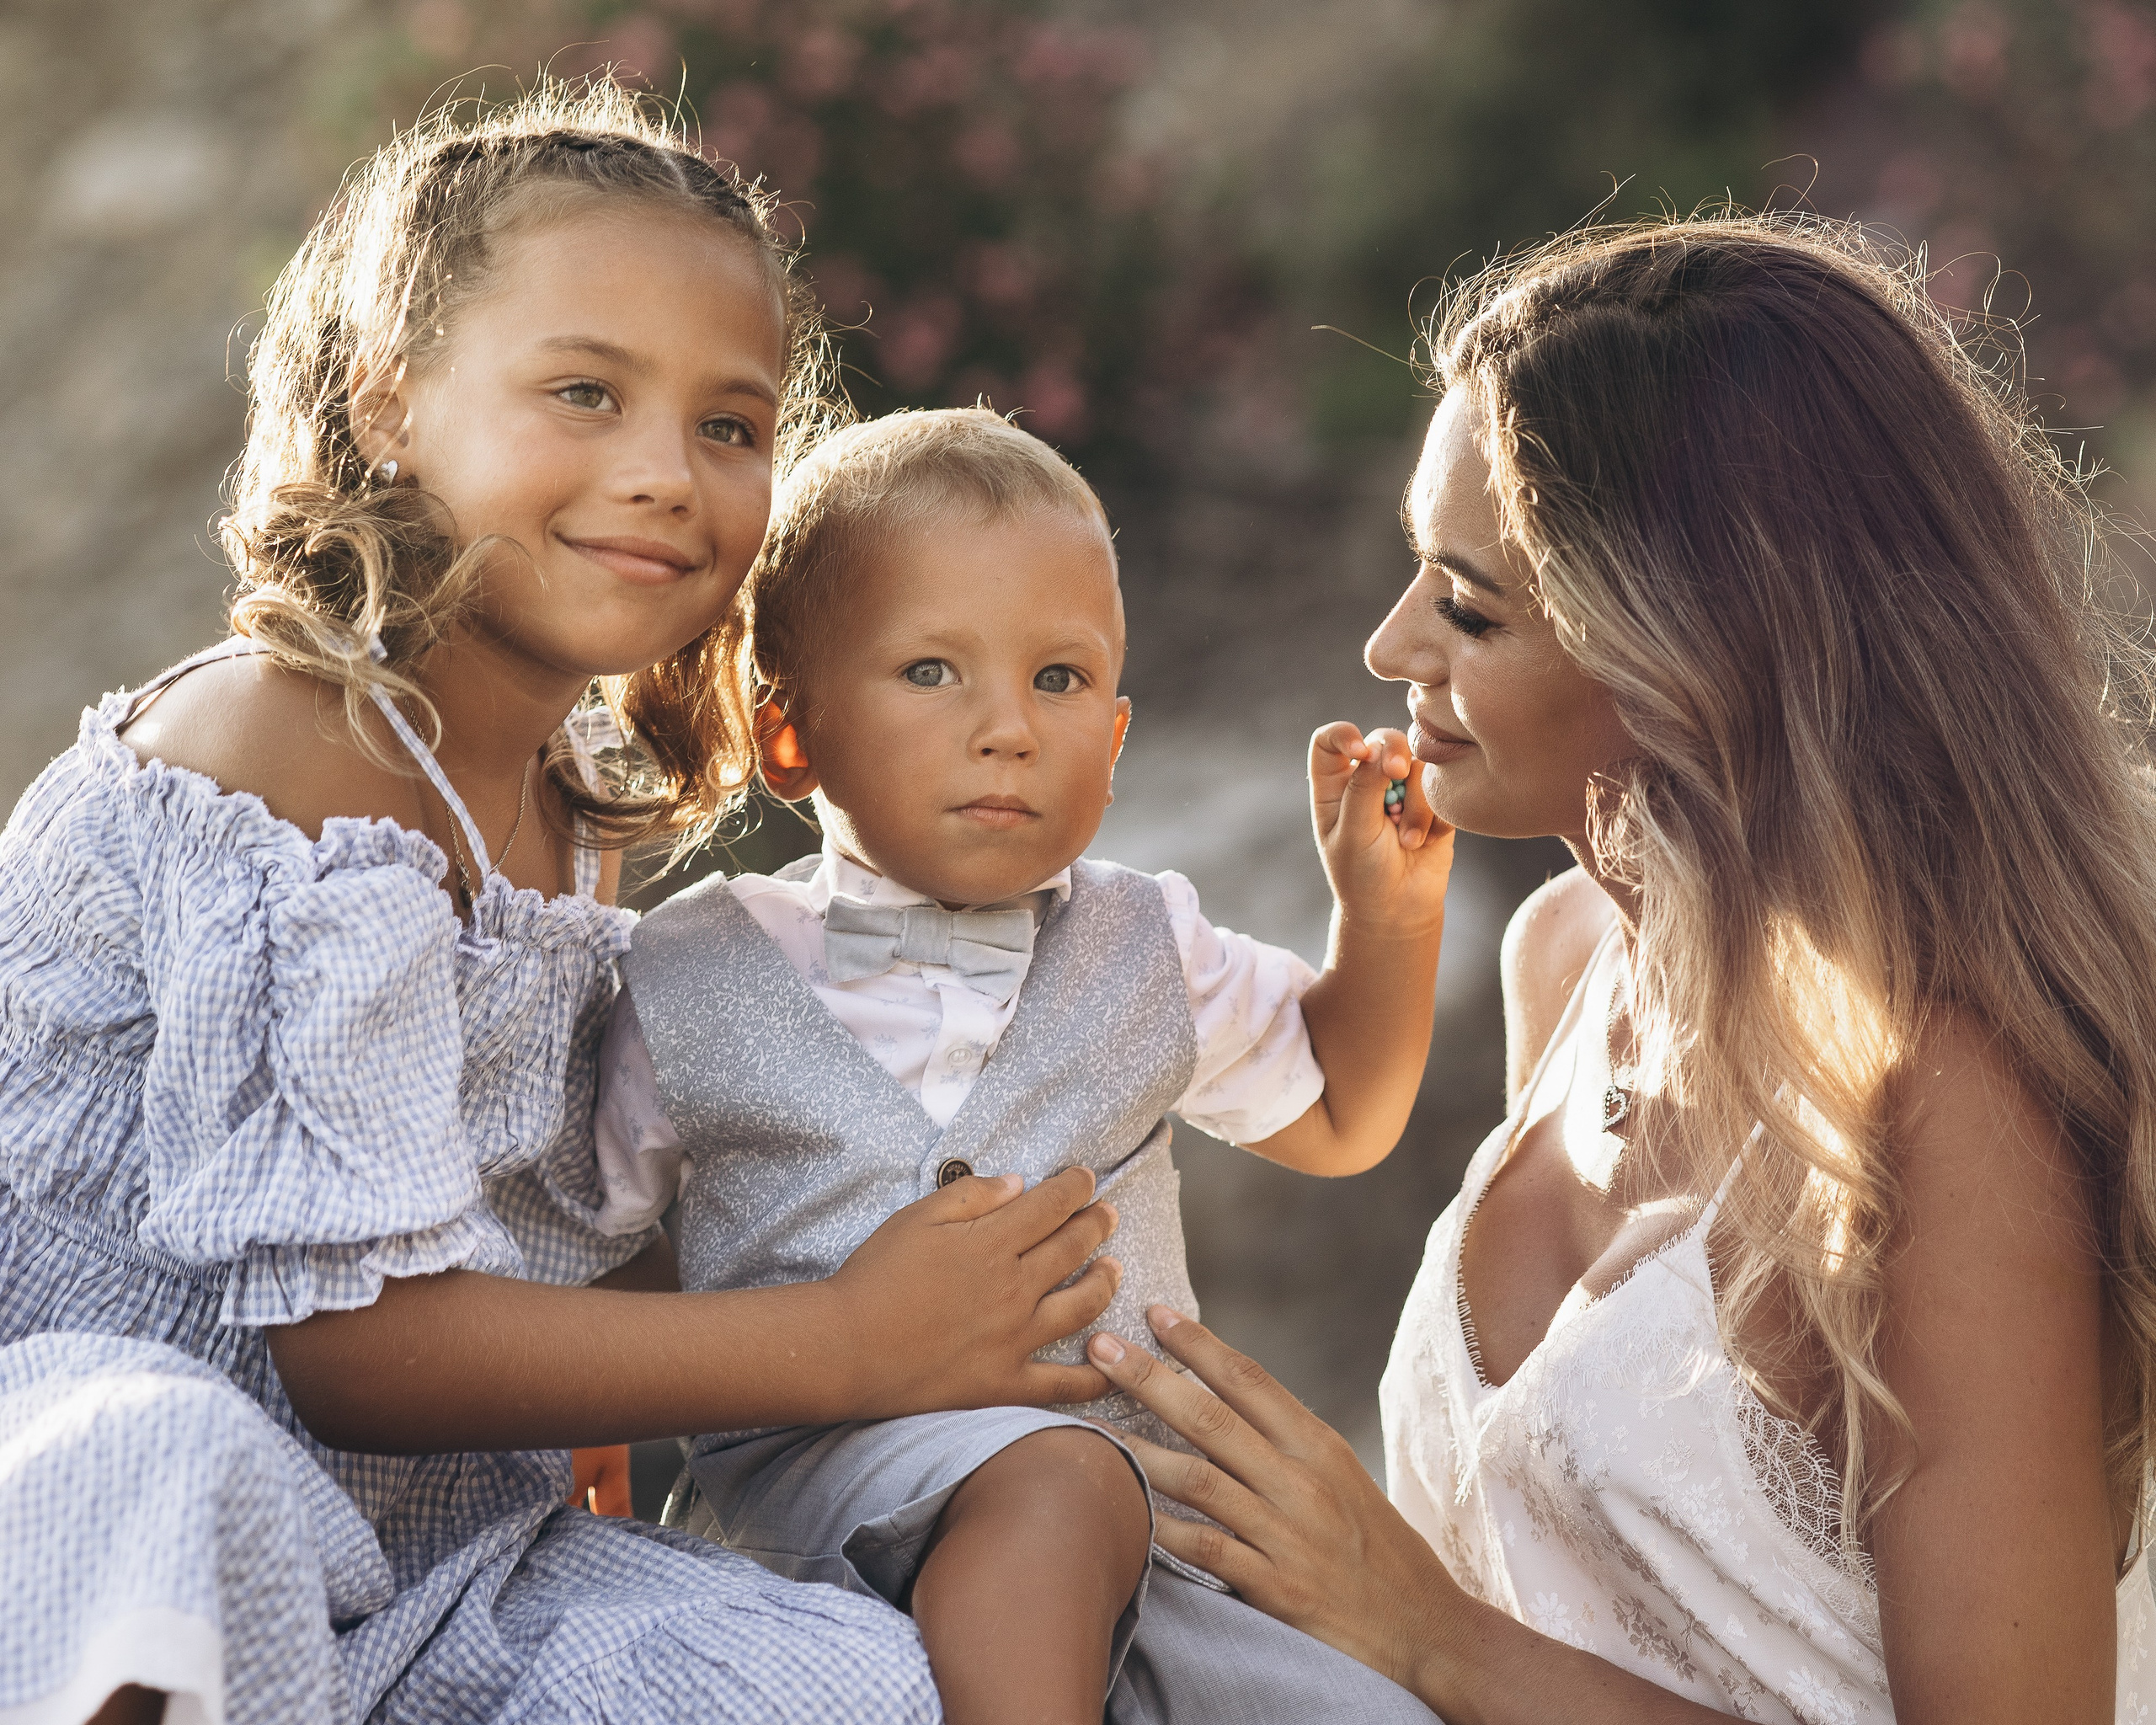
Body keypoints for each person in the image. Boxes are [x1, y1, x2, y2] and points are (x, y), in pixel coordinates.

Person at [0, 85, 1129, 1725]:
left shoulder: (564, 785)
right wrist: (849, 1339)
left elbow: (517, 1204)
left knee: (841, 1690)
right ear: (389, 405)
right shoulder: (295, 753)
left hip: (419, 1554)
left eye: (729, 426)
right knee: (163, 1469)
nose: (665, 474)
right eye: (585, 393)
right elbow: (355, 1345)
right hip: (77, 1502)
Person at [1077, 214, 2156, 1723]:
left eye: (1469, 605)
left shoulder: (1951, 1096)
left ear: (1696, 646)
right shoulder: (1563, 956)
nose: (1392, 645)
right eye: (1414, 574)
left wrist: (1420, 1627)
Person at [589, 407, 1455, 1724]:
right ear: (791, 735)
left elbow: (1342, 1109)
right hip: (825, 1503)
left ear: (1112, 742)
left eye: (1058, 680)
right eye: (933, 671)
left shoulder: (1146, 942)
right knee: (1047, 1485)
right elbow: (583, 1262)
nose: (1008, 727)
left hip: (1153, 1534)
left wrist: (1386, 923)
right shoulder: (688, 970)